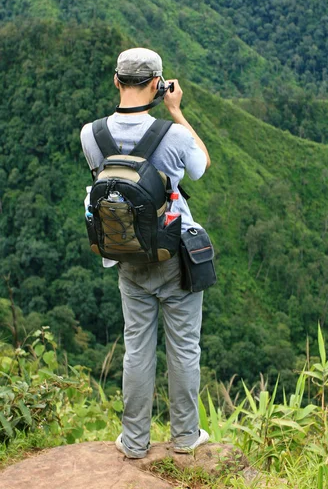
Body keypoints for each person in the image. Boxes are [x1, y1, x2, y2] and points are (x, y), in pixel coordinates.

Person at [80, 47, 211, 458]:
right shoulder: (172, 136)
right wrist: (176, 110)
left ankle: (135, 443)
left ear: (116, 81)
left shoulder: (91, 134)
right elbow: (201, 166)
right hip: (173, 256)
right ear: (158, 84)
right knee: (184, 346)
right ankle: (186, 438)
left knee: (137, 346)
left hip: (127, 253)